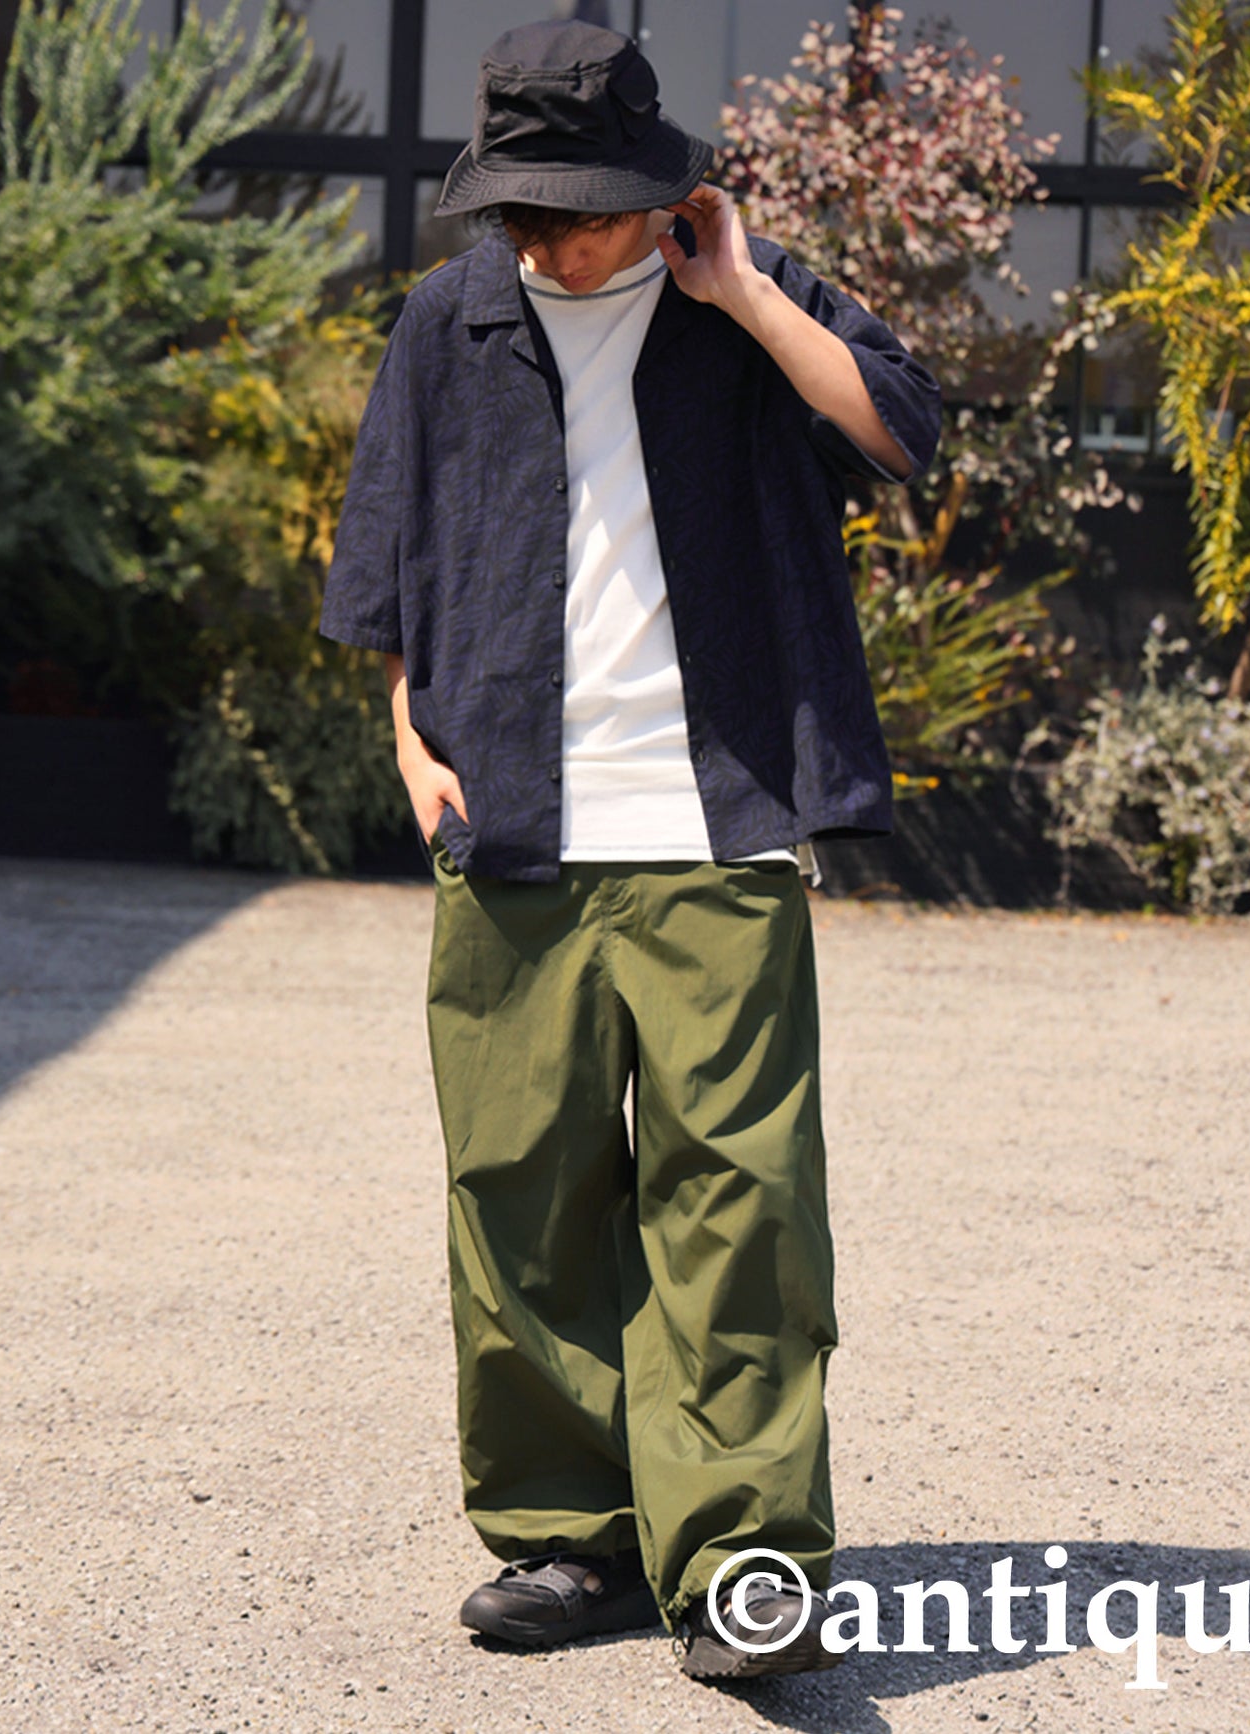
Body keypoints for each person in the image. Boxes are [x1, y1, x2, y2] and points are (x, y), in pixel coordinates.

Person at [319, 18, 940, 1682]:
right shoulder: (449, 319)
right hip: (514, 819)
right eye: (522, 210)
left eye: (579, 209)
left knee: (739, 1200)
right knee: (518, 1194)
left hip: (712, 821)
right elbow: (392, 546)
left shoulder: (742, 295)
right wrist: (409, 735)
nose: (551, 241)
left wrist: (741, 291)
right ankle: (567, 1531)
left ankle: (742, 1556)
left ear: (655, 189)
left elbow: (897, 430)